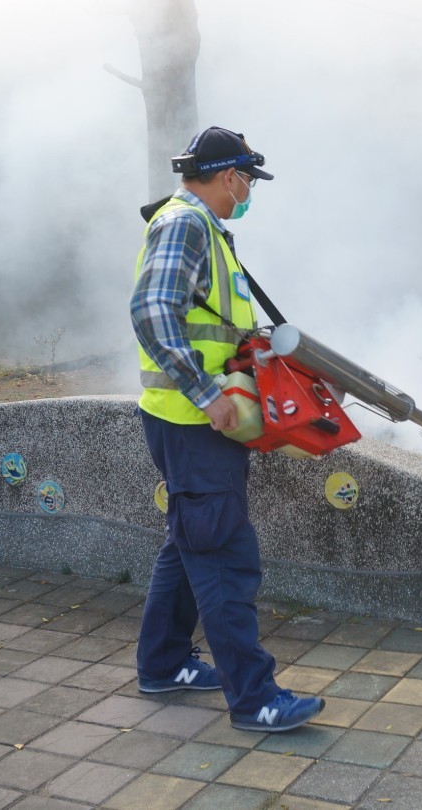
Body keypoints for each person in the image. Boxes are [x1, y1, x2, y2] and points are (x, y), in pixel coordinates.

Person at [129, 126, 325, 733]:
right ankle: (256, 700)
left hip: (189, 423)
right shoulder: (186, 223)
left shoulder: (204, 228)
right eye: (247, 181)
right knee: (224, 558)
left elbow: (207, 324)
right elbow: (151, 310)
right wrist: (208, 392)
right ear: (229, 175)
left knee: (188, 544)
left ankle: (162, 664)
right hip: (195, 421)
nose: (248, 192)